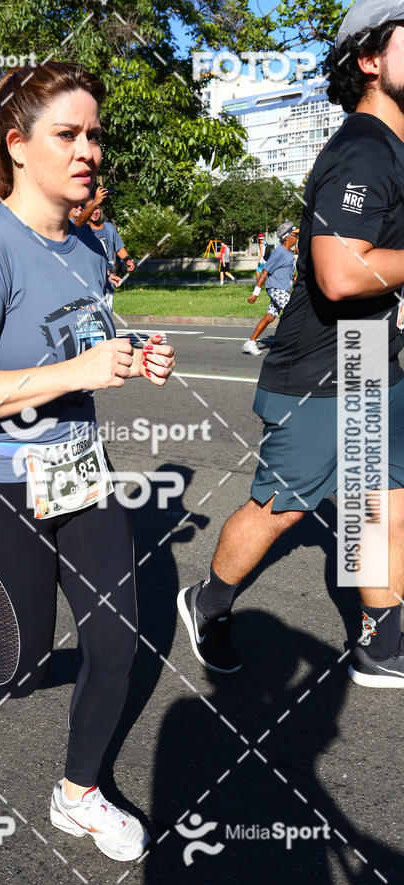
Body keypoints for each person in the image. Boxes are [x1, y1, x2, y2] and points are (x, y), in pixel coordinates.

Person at [0, 61, 175, 861]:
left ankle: (78, 793)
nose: (88, 148)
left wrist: (127, 355)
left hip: (80, 471)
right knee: (15, 660)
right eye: (68, 134)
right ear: (18, 146)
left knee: (117, 643)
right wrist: (78, 373)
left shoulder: (89, 245)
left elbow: (77, 347)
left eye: (95, 133)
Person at [177, 0, 404, 686]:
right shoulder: (363, 148)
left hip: (371, 363)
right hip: (319, 374)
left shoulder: (394, 147)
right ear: (370, 60)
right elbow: (340, 272)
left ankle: (381, 639)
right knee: (281, 510)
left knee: (384, 501)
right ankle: (207, 601)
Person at [242, 222, 299, 356]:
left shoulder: (289, 253)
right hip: (276, 288)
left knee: (270, 317)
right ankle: (286, 343)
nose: (297, 238)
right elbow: (265, 272)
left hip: (283, 288)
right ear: (287, 237)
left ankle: (250, 342)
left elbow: (289, 275)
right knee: (292, 312)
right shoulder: (279, 252)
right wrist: (255, 294)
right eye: (295, 235)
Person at [84, 203, 135, 287]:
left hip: (109, 277)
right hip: (91, 278)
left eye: (97, 208)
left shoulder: (109, 227)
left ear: (100, 209)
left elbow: (118, 247)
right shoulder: (83, 230)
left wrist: (127, 259)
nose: (94, 211)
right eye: (91, 209)